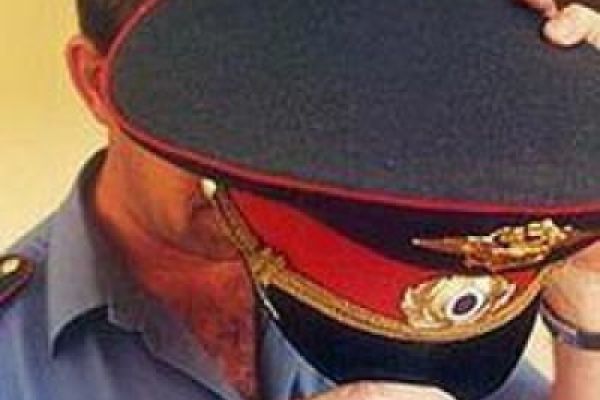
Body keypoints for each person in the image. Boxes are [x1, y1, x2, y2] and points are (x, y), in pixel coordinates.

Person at [1, 1, 600, 400]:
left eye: (288, 105)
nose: (262, 165)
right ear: (98, 84)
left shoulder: (360, 245)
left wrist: (586, 312)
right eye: (204, 101)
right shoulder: (12, 349)